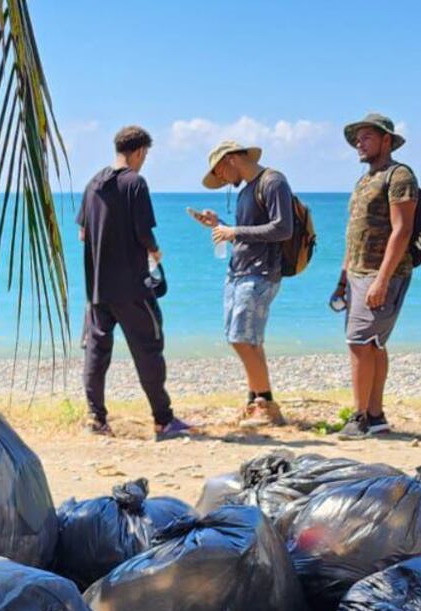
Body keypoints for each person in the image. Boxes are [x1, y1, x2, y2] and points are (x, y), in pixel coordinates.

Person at [78, 126, 189, 441]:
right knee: (148, 349)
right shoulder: (135, 183)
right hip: (132, 287)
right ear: (140, 151)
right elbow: (144, 232)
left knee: (96, 354)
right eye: (145, 155)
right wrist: (155, 252)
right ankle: (163, 421)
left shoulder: (92, 184)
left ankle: (96, 419)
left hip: (97, 288)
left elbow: (83, 233)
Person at [188, 140, 293, 426]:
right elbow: (249, 231)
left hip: (261, 272)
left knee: (241, 338)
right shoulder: (248, 189)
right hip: (241, 270)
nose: (221, 179)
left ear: (231, 159)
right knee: (247, 339)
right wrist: (219, 224)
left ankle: (265, 403)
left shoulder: (273, 182)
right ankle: (256, 400)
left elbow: (283, 228)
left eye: (219, 172)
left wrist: (234, 230)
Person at [335, 113, 417, 439]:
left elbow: (403, 229)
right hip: (356, 272)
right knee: (373, 344)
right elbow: (354, 232)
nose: (359, 142)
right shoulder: (365, 180)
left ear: (386, 140)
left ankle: (358, 418)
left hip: (382, 272)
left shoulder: (400, 176)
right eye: (358, 137)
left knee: (358, 343)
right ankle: (375, 415)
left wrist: (383, 279)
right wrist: (342, 280)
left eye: (366, 136)